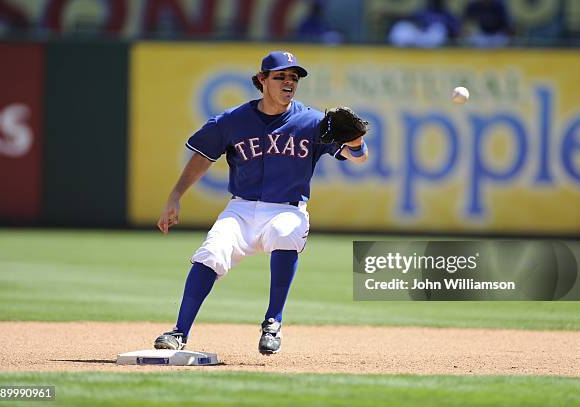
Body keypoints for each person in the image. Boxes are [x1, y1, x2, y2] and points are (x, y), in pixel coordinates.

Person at [153, 51, 368, 355]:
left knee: (285, 232)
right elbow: (202, 156)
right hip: (240, 209)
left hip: (287, 208)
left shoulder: (313, 121)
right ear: (261, 80)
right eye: (280, 76)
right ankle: (179, 332)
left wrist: (357, 141)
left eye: (294, 77)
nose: (288, 82)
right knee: (210, 253)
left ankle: (272, 323)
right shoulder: (232, 120)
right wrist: (175, 196)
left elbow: (358, 158)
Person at [388, 0, 461, 48]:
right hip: (418, 36)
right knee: (402, 26)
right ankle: (402, 52)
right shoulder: (423, 11)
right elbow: (411, 20)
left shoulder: (446, 14)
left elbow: (455, 30)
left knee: (438, 28)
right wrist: (419, 26)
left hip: (431, 42)